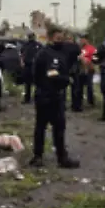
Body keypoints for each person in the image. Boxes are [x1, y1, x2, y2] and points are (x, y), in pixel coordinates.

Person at [30, 28, 79, 168]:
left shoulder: (62, 52)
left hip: (58, 96)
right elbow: (50, 74)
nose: (60, 41)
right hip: (45, 96)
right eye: (58, 38)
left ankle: (62, 158)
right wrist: (66, 79)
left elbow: (76, 51)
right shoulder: (44, 54)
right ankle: (37, 156)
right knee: (41, 127)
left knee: (59, 128)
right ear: (50, 38)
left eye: (62, 38)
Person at [71, 35, 96, 111]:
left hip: (89, 69)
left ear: (86, 40)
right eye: (80, 39)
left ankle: (91, 101)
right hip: (80, 70)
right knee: (79, 86)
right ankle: (79, 102)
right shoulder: (79, 48)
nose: (81, 41)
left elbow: (95, 58)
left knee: (89, 86)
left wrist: (89, 62)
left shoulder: (91, 48)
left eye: (82, 39)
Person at [19, 33, 41, 104]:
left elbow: (42, 54)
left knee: (37, 83)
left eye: (32, 36)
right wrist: (22, 61)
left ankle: (37, 98)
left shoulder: (38, 45)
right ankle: (27, 99)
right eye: (30, 36)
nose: (31, 38)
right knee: (27, 83)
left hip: (35, 66)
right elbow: (21, 54)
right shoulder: (25, 45)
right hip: (27, 65)